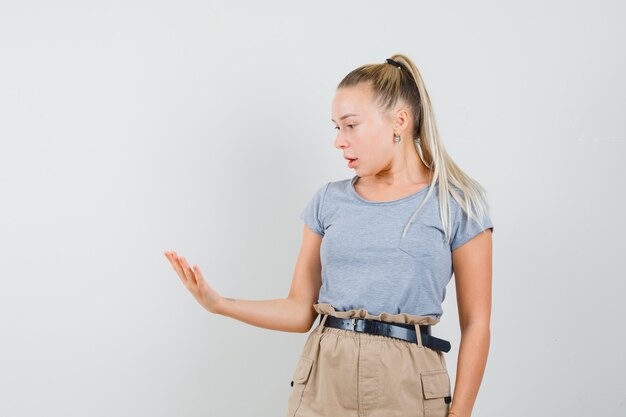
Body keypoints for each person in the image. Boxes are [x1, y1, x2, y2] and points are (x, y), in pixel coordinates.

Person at [164, 53, 493, 417]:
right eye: (336, 127)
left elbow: (476, 323)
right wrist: (219, 303)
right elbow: (300, 310)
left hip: (409, 386)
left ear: (399, 121)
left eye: (350, 125)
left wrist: (460, 413)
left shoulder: (458, 204)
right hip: (323, 380)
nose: (339, 141)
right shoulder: (328, 201)